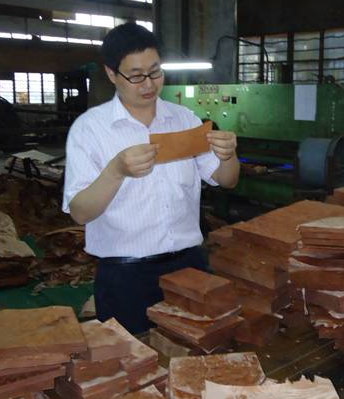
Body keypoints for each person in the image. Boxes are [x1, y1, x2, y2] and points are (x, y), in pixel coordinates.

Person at [63, 23, 240, 333]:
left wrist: (228, 156)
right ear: (111, 74)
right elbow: (80, 212)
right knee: (132, 355)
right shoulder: (89, 129)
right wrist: (115, 170)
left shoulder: (184, 119)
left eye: (155, 72)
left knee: (195, 348)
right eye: (136, 76)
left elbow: (227, 180)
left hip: (188, 265)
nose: (148, 84)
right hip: (125, 276)